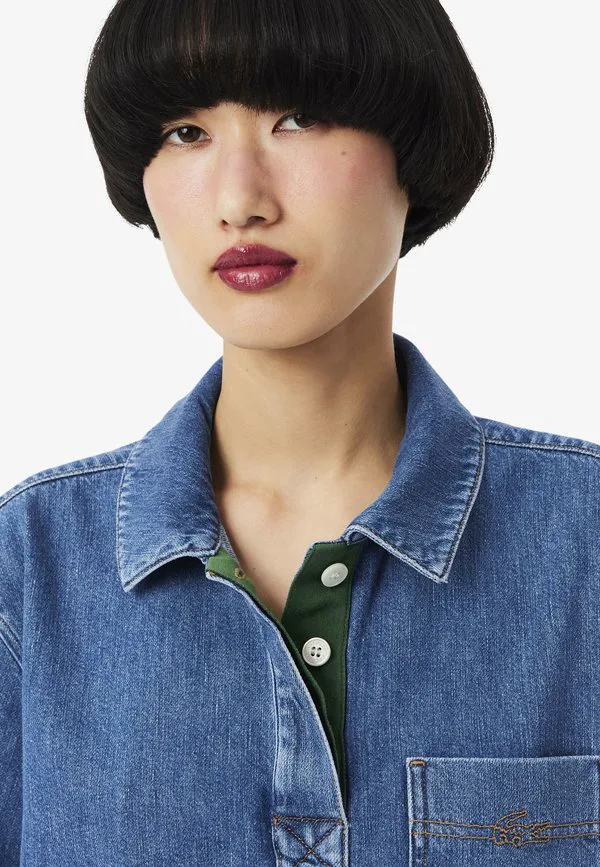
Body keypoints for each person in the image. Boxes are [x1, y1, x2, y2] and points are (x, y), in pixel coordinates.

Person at [1, 0, 598, 864]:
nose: (239, 200)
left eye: (300, 117)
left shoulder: (582, 540)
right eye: (185, 133)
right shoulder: (31, 567)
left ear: (414, 146)